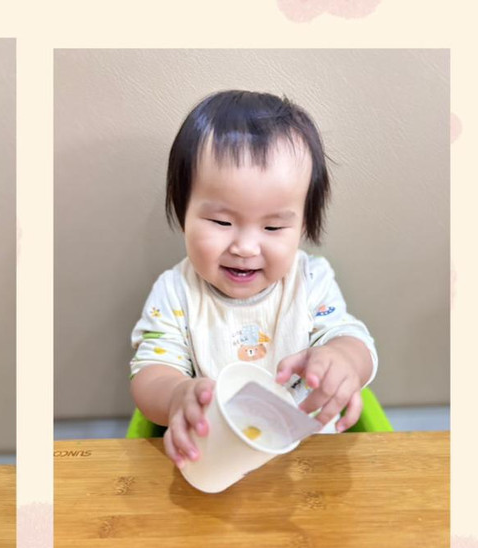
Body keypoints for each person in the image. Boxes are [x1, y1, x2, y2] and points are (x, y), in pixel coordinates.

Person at [129, 90, 377, 470]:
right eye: (221, 222)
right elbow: (151, 373)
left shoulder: (310, 280)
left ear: (303, 226)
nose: (245, 246)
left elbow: (350, 337)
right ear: (184, 214)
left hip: (308, 456)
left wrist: (343, 359)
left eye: (274, 226)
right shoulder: (175, 292)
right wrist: (177, 393)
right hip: (217, 453)